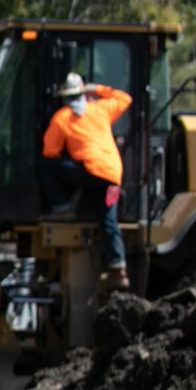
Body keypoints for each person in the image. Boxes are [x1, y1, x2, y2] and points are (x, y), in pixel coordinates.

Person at [40, 72, 131, 290]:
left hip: (90, 173)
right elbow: (125, 99)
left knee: (45, 165)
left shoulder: (62, 117)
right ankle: (119, 268)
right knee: (109, 220)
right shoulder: (100, 109)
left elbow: (49, 152)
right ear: (83, 93)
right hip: (113, 178)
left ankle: (62, 206)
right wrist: (97, 89)